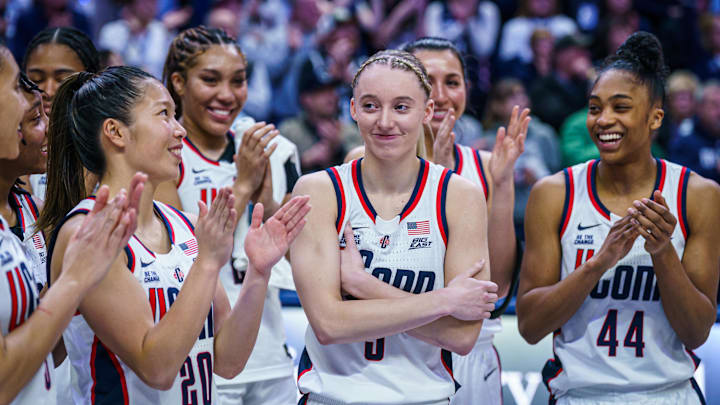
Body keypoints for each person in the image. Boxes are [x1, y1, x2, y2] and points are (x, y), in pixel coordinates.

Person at [39, 65, 310, 403]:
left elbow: (227, 361)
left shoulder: (181, 223)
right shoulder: (87, 232)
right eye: (164, 114)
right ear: (116, 132)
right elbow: (157, 368)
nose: (180, 130)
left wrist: (259, 272)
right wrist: (208, 263)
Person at [517, 31, 720, 404]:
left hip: (669, 394)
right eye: (595, 108)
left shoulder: (698, 195)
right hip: (579, 395)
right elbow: (530, 326)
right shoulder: (553, 194)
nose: (603, 120)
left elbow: (696, 332)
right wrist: (598, 264)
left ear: (655, 117)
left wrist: (662, 252)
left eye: (620, 107)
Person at [291, 49, 498, 405]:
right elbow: (329, 325)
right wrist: (444, 301)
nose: (385, 122)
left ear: (427, 111)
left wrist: (364, 285)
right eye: (371, 106)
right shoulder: (318, 191)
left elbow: (462, 337)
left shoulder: (460, 197)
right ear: (353, 109)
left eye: (401, 107)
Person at [345, 38, 527, 404]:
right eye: (429, 80)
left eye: (453, 82)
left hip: (471, 351)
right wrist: (436, 186)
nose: (441, 95)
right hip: (394, 347)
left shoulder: (491, 165)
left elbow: (498, 288)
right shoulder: (359, 161)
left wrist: (504, 185)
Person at [156, 26, 303, 405]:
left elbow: (297, 256)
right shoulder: (160, 152)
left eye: (238, 81)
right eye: (210, 80)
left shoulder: (272, 146)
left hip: (271, 353)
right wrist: (243, 184)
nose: (227, 95)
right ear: (178, 83)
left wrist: (267, 202)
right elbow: (180, 249)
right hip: (202, 358)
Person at [0, 41, 143, 404]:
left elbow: (51, 350)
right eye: (19, 88)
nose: (39, 105)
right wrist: (75, 278)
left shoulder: (24, 208)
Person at [22, 27, 101, 199]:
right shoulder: (13, 146)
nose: (48, 91)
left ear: (93, 80)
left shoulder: (107, 140)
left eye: (63, 80)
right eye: (36, 80)